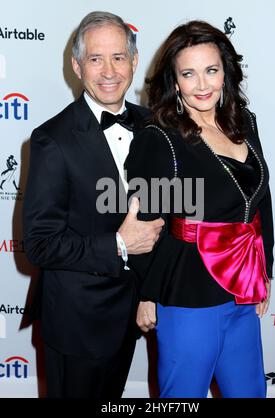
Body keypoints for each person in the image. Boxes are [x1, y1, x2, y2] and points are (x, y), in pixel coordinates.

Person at [125, 20, 274, 398]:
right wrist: (148, 293)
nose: (203, 85)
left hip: (242, 289)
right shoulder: (160, 138)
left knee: (250, 392)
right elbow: (145, 223)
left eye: (211, 70)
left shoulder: (244, 121)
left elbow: (260, 200)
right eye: (189, 74)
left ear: (226, 72)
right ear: (175, 81)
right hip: (188, 296)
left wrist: (265, 269)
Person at [23, 11, 164, 399]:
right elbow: (39, 243)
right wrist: (119, 245)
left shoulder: (154, 125)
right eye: (95, 59)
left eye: (118, 57)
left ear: (134, 62)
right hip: (76, 325)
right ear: (76, 66)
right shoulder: (52, 140)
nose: (109, 71)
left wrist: (151, 290)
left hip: (131, 315)